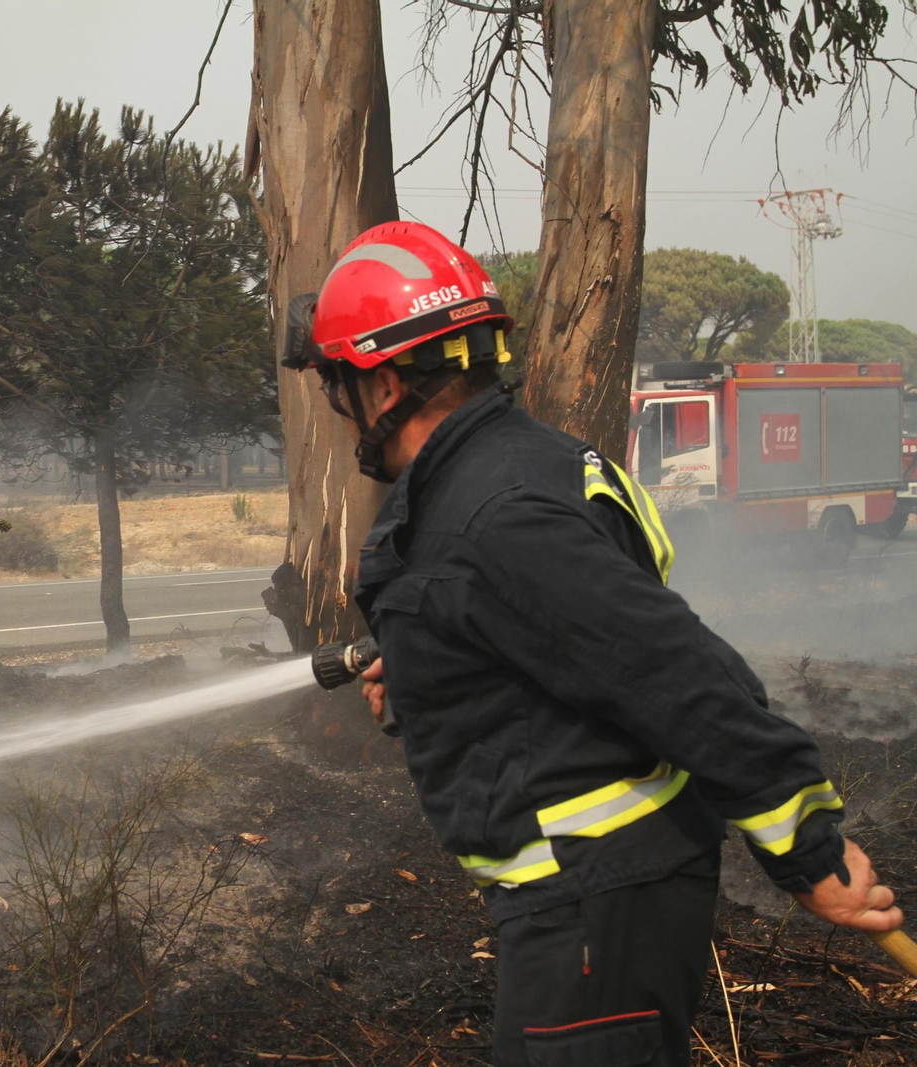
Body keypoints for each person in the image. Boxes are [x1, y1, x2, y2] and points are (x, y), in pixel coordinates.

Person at [284, 221, 903, 1067]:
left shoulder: (494, 516)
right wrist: (437, 663)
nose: (338, 406)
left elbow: (675, 672)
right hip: (593, 895)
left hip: (595, 901)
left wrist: (808, 848)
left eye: (338, 385)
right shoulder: (520, 466)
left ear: (384, 382)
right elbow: (563, 641)